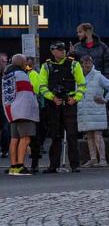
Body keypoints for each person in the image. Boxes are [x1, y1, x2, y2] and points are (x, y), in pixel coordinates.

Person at [38, 41, 86, 173]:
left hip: (69, 103)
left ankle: (75, 165)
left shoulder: (74, 64)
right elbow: (42, 86)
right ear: (53, 51)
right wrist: (52, 97)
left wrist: (75, 98)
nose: (62, 51)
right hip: (54, 104)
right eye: (59, 49)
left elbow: (82, 84)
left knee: (72, 135)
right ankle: (53, 165)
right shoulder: (46, 66)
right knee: (55, 135)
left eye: (63, 49)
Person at [2, 54, 40, 176]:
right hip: (23, 112)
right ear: (21, 63)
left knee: (14, 139)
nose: (26, 65)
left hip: (11, 112)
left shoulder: (6, 76)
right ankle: (20, 165)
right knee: (25, 138)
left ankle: (13, 166)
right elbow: (29, 94)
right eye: (24, 62)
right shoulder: (22, 75)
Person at [77, 54, 109, 167]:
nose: (88, 64)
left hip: (96, 110)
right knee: (89, 135)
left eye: (89, 62)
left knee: (97, 134)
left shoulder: (98, 76)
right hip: (85, 110)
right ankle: (93, 158)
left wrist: (105, 99)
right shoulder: (79, 76)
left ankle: (103, 159)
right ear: (81, 64)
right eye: (85, 63)